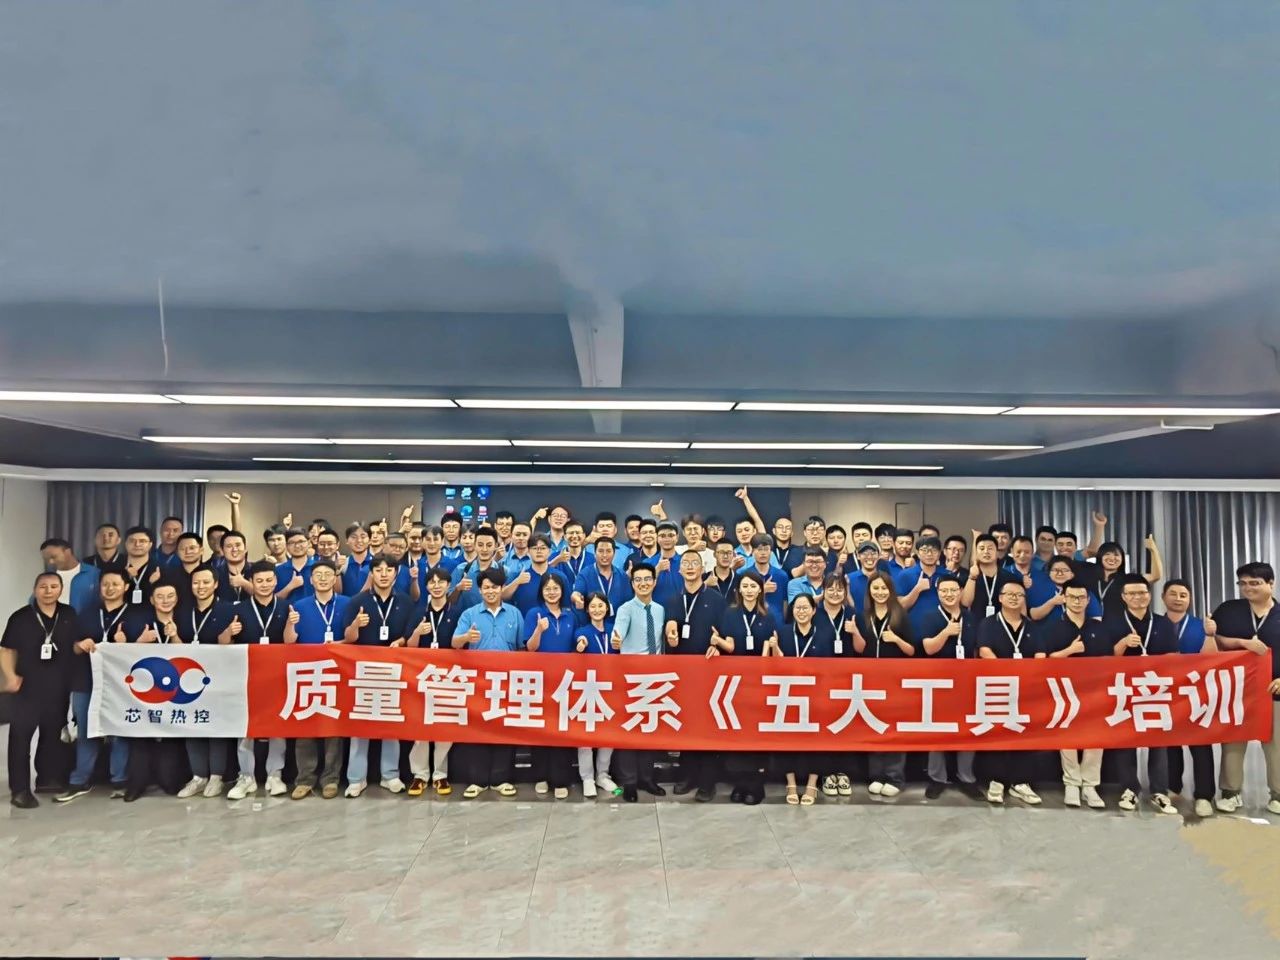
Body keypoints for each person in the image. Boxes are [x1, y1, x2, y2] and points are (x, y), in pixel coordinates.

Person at [1099, 574, 1179, 815]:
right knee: (1126, 739)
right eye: (1132, 593)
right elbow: (1106, 659)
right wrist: (1124, 643)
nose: (1138, 597)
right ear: (1123, 597)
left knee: (1158, 741)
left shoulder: (1163, 623)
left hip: (1156, 688)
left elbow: (1174, 656)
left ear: (1149, 595)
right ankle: (1129, 788)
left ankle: (1159, 791)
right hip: (1124, 688)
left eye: (1142, 592)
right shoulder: (1112, 623)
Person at [339, 555, 417, 797]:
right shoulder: (357, 601)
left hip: (393, 670)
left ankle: (390, 775)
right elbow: (348, 637)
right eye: (379, 570)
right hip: (363, 670)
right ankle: (356, 778)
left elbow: (408, 635)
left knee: (390, 724)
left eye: (389, 570)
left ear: (396, 573)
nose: (384, 574)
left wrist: (400, 641)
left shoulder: (405, 601)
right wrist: (356, 625)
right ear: (371, 573)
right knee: (360, 724)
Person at [2, 572, 78, 808]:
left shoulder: (68, 614)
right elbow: (6, 650)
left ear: (60, 590)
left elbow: (74, 646)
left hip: (58, 687)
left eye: (54, 586)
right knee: (21, 739)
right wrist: (11, 677)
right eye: (43, 586)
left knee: (52, 735)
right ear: (35, 590)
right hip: (26, 688)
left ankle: (47, 779)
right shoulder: (21, 617)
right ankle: (20, 790)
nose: (48, 591)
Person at [56, 569, 132, 803]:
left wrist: (127, 643)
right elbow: (71, 647)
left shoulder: (136, 615)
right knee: (86, 731)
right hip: (85, 680)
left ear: (126, 587)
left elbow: (144, 651)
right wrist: (80, 645)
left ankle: (120, 780)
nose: (109, 588)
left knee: (119, 731)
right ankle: (80, 780)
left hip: (121, 685)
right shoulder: (86, 614)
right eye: (105, 584)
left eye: (115, 584)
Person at [1211, 561, 1280, 815]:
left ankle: (1278, 794)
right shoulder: (1229, 610)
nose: (1248, 588)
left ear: (1271, 584)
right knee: (1232, 741)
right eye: (1243, 583)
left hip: (1273, 689)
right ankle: (1230, 792)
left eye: (1255, 583)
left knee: (1275, 744)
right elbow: (1216, 640)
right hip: (1236, 688)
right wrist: (1242, 643)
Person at [281, 559, 350, 800]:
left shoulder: (346, 603)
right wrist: (290, 625)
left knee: (333, 729)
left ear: (335, 578)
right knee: (305, 727)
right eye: (317, 574)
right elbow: (289, 641)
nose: (322, 578)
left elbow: (353, 639)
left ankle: (331, 779)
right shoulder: (299, 606)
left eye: (327, 574)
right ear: (311, 580)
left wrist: (335, 645)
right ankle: (305, 779)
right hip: (307, 672)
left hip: (336, 673)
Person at [452, 568, 523, 798]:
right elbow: (454, 642)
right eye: (486, 588)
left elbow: (521, 647)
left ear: (502, 589)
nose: (490, 591)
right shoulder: (469, 614)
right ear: (480, 590)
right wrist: (466, 638)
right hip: (478, 681)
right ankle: (478, 780)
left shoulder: (514, 614)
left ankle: (502, 779)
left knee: (505, 730)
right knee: (477, 730)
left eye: (495, 587)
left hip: (506, 681)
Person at [664, 551, 728, 802]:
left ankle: (707, 782)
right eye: (685, 564)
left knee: (707, 726)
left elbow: (724, 633)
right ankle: (687, 775)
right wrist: (670, 635)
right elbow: (670, 627)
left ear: (702, 568)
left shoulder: (716, 599)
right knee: (686, 724)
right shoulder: (672, 600)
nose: (690, 567)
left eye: (695, 563)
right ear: (679, 570)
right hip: (681, 672)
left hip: (709, 670)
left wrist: (719, 646)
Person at [223, 560, 289, 801]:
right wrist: (229, 632)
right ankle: (246, 776)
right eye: (259, 581)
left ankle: (275, 774)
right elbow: (224, 644)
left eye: (269, 580)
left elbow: (291, 643)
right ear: (251, 582)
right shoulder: (238, 609)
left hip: (278, 676)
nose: (264, 585)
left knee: (277, 726)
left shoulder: (286, 607)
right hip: (247, 676)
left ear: (276, 581)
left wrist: (291, 625)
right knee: (246, 726)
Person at [118, 577, 188, 801]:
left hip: (176, 688)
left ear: (177, 598)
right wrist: (140, 641)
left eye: (170, 596)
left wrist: (175, 635)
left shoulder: (186, 619)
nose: (165, 601)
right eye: (160, 597)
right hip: (144, 687)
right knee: (141, 734)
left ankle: (170, 780)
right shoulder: (139, 622)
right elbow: (124, 656)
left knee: (171, 734)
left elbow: (191, 656)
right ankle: (136, 784)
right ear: (151, 600)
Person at [914, 574, 981, 800]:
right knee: (937, 730)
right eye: (944, 591)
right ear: (938, 593)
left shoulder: (970, 617)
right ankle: (937, 778)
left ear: (961, 592)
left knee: (968, 730)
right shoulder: (930, 617)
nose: (949, 594)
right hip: (938, 681)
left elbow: (976, 650)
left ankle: (967, 777)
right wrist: (946, 632)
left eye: (953, 590)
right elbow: (928, 648)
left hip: (967, 681)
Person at [712, 571, 777, 805]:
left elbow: (768, 650)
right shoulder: (730, 613)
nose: (749, 590)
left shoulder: (768, 615)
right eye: (745, 586)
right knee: (738, 730)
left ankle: (756, 784)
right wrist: (717, 642)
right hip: (735, 679)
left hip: (759, 680)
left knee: (756, 731)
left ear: (760, 589)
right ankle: (740, 783)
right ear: (739, 590)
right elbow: (730, 646)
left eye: (753, 586)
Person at [976, 581, 1043, 805]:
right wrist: (1007, 673)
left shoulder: (1031, 626)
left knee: (1023, 732)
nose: (1014, 598)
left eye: (1019, 595)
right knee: (997, 733)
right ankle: (996, 780)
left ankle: (1021, 782)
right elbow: (984, 651)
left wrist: (1028, 676)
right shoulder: (988, 623)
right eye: (1009, 594)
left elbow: (1040, 654)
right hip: (997, 687)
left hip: (1026, 688)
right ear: (1000, 598)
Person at [1043, 580, 1106, 809]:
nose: (1077, 601)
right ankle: (1071, 782)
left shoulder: (1099, 627)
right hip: (1064, 690)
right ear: (1064, 599)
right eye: (1072, 597)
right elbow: (1046, 660)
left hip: (1094, 690)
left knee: (1095, 737)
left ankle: (1090, 785)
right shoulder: (1054, 627)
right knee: (1067, 736)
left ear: (1088, 600)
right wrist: (1070, 651)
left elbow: (1109, 660)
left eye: (1081, 597)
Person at [174, 565, 235, 799]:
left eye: (206, 582)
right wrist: (173, 634)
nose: (201, 587)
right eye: (196, 582)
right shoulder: (183, 612)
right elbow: (177, 647)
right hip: (188, 678)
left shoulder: (228, 610)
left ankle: (217, 776)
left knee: (215, 726)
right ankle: (198, 776)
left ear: (216, 584)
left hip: (218, 678)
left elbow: (231, 646)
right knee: (192, 725)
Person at [852, 571, 915, 797]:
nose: (880, 592)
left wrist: (896, 639)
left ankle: (895, 777)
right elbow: (859, 650)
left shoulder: (900, 615)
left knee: (894, 728)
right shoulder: (863, 616)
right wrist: (855, 632)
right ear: (869, 591)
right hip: (870, 680)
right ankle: (876, 775)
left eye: (884, 588)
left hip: (895, 681)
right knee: (874, 725)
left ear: (891, 591)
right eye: (875, 588)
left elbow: (911, 651)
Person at [611, 563, 669, 802]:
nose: (643, 583)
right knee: (630, 730)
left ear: (654, 582)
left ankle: (647, 778)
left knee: (649, 730)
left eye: (647, 579)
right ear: (632, 584)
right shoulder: (625, 609)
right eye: (638, 580)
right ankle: (629, 782)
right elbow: (618, 634)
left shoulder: (660, 609)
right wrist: (616, 641)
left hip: (655, 677)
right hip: (631, 677)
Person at [1161, 579, 1219, 816]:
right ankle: (1172, 787)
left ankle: (1204, 795)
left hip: (1196, 693)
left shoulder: (1201, 626)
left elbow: (1213, 658)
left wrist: (1210, 635)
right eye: (1173, 594)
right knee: (1168, 743)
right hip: (1164, 692)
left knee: (1201, 744)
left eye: (1183, 595)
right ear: (1163, 597)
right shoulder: (1155, 624)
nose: (1178, 598)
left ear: (1190, 599)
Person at [406, 566, 461, 797]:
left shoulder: (456, 612)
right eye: (432, 582)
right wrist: (417, 632)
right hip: (422, 676)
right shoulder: (419, 611)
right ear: (427, 586)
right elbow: (409, 645)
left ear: (449, 585)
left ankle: (440, 774)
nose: (436, 586)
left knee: (444, 728)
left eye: (441, 582)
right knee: (420, 727)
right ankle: (419, 774)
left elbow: (461, 645)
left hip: (448, 677)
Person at [524, 573, 580, 799]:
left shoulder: (570, 615)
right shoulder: (533, 613)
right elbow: (530, 648)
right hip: (540, 680)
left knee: (561, 730)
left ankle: (560, 779)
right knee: (540, 729)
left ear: (562, 590)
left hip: (564, 681)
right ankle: (540, 776)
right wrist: (539, 630)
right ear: (541, 591)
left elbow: (576, 644)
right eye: (547, 588)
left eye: (556, 588)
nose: (552, 592)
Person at [766, 594, 825, 805]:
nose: (801, 611)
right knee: (786, 739)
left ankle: (812, 783)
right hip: (788, 693)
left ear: (814, 610)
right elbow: (776, 663)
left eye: (805, 607)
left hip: (816, 694)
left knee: (817, 740)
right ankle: (790, 782)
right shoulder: (783, 632)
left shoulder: (823, 634)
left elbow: (831, 666)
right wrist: (774, 647)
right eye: (797, 608)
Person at [573, 591, 618, 797]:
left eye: (601, 606)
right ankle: (587, 778)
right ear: (587, 609)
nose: (597, 610)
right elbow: (579, 641)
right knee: (585, 736)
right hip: (588, 689)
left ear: (607, 608)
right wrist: (581, 645)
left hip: (611, 688)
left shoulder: (614, 630)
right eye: (593, 606)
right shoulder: (582, 631)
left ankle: (603, 775)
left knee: (608, 734)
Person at [1094, 538, 1165, 618]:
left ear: (1122, 559)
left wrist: (1153, 550)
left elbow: (1155, 576)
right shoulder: (1091, 578)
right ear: (1100, 557)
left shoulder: (1127, 580)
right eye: (1107, 554)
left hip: (1120, 623)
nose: (1112, 558)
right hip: (1094, 623)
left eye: (1116, 555)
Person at [449, 526, 513, 609]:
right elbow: (450, 601)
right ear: (475, 545)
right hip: (469, 617)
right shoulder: (462, 570)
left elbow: (509, 602)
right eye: (480, 545)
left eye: (489, 545)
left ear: (496, 546)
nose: (484, 549)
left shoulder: (505, 572)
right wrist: (458, 589)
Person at [504, 534, 570, 614]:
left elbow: (567, 607)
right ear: (528, 551)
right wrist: (517, 582)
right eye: (535, 548)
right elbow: (502, 598)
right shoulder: (519, 577)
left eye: (543, 548)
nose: (539, 551)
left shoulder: (560, 576)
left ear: (549, 552)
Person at [571, 537, 632, 620]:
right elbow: (577, 593)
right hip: (593, 623)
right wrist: (576, 598)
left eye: (608, 551)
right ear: (594, 553)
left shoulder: (622, 576)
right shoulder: (585, 574)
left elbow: (628, 602)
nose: (604, 555)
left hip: (617, 623)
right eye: (600, 551)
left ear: (614, 553)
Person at [1029, 556, 1104, 621]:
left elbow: (1096, 618)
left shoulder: (1083, 591)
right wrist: (1052, 602)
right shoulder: (1039, 589)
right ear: (1049, 573)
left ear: (1072, 574)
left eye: (1064, 570)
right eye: (1055, 570)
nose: (1060, 573)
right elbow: (1034, 616)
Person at [961, 534, 1020, 618]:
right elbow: (965, 603)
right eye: (982, 548)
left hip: (1002, 623)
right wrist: (972, 578)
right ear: (976, 553)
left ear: (997, 552)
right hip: (976, 624)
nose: (986, 551)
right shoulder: (968, 576)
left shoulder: (1009, 578)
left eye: (990, 548)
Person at [40, 537, 100, 614]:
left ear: (67, 552)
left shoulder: (94, 574)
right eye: (46, 559)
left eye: (53, 557)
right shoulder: (47, 578)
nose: (51, 562)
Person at [894, 535, 943, 612]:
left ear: (939, 553)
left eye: (934, 550)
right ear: (917, 553)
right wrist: (917, 589)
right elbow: (899, 607)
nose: (929, 554)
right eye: (924, 550)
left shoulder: (947, 575)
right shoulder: (905, 575)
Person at [274, 527, 315, 601]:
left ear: (309, 543)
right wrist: (290, 586)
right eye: (292, 543)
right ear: (286, 546)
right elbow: (272, 600)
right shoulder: (278, 570)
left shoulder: (318, 568)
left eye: (301, 541)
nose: (297, 546)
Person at [121, 525, 158, 606]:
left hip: (150, 612)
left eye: (142, 541)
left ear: (150, 544)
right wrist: (126, 578)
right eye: (132, 541)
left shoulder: (159, 569)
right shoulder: (115, 568)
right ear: (125, 544)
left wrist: (152, 584)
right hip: (121, 612)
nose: (137, 544)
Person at [846, 541, 884, 615]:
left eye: (873, 553)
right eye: (865, 554)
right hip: (856, 620)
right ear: (858, 556)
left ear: (879, 556)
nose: (869, 557)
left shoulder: (885, 579)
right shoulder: (849, 579)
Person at [214, 530, 251, 603]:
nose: (234, 549)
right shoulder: (214, 574)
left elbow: (266, 597)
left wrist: (245, 584)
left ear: (245, 548)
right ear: (222, 550)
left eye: (238, 545)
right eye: (229, 546)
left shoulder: (257, 570)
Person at [340, 523, 373, 596]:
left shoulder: (376, 563)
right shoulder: (342, 564)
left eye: (363, 537)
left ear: (370, 540)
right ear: (347, 541)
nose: (359, 540)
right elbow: (337, 592)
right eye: (354, 537)